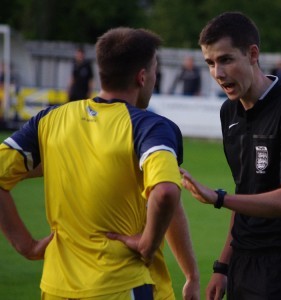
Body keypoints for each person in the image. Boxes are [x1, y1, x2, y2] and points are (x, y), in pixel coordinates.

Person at [0, 27, 200, 300]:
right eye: (154, 70)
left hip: (56, 287)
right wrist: (147, 245)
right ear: (142, 77)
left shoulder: (50, 120)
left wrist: (27, 246)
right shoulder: (151, 127)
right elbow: (166, 193)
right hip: (121, 284)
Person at [181, 12, 281, 300]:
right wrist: (223, 265)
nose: (218, 73)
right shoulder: (228, 112)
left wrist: (219, 198)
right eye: (210, 63)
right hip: (242, 260)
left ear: (252, 54)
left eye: (226, 60)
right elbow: (247, 192)